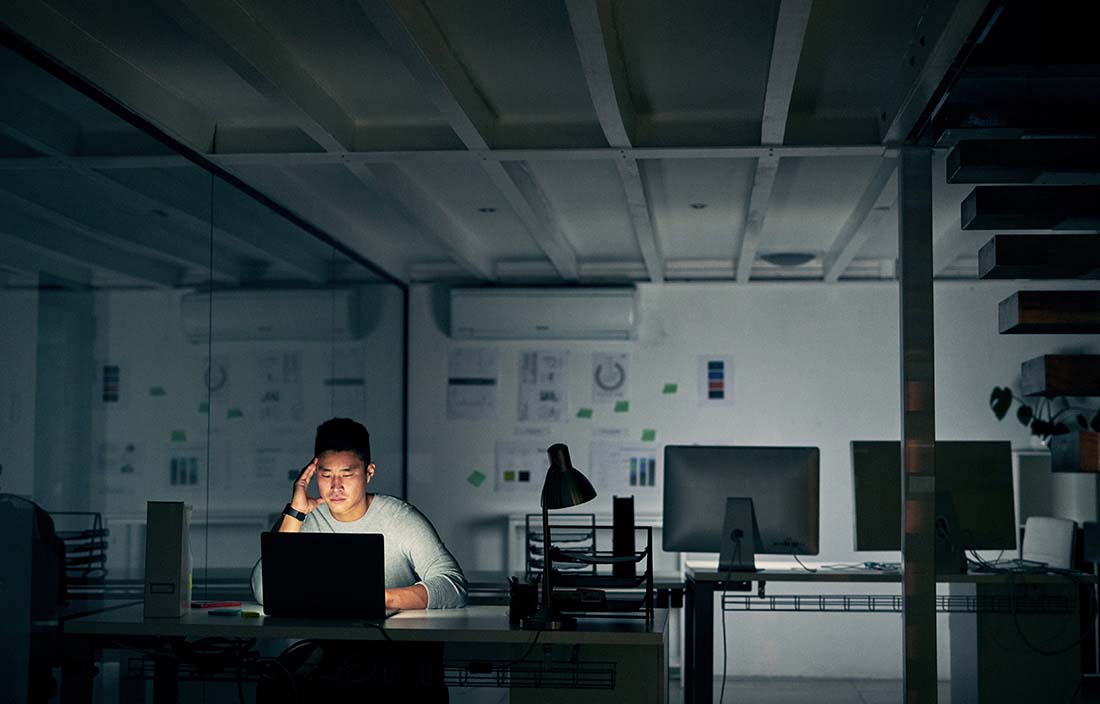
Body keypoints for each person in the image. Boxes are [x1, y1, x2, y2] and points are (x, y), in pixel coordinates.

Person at [251, 417, 467, 610]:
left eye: (347, 475)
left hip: (393, 643)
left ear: (368, 473)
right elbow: (264, 591)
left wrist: (380, 599)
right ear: (314, 474)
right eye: (326, 476)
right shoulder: (300, 519)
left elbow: (452, 585)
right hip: (325, 642)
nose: (336, 487)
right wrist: (295, 512)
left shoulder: (400, 518)